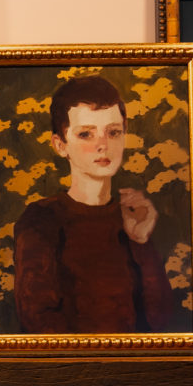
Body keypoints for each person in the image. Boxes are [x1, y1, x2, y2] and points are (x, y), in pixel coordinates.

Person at [13, 74, 176, 333]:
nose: (103, 145)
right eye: (86, 134)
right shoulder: (41, 220)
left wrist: (140, 242)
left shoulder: (134, 215)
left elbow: (162, 322)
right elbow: (37, 321)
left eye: (113, 132)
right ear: (60, 145)